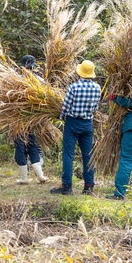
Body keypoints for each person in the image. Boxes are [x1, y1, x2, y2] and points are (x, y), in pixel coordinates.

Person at [51, 60, 102, 196]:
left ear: (80, 72)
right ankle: (89, 187)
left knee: (68, 154)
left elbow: (66, 107)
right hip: (87, 124)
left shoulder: (73, 87)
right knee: (88, 156)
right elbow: (96, 108)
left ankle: (67, 186)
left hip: (72, 123)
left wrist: (60, 117)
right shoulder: (97, 88)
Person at [15, 55, 49, 184]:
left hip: (17, 119)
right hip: (33, 119)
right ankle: (40, 176)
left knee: (20, 146)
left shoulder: (15, 81)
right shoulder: (39, 80)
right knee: (32, 145)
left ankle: (24, 178)